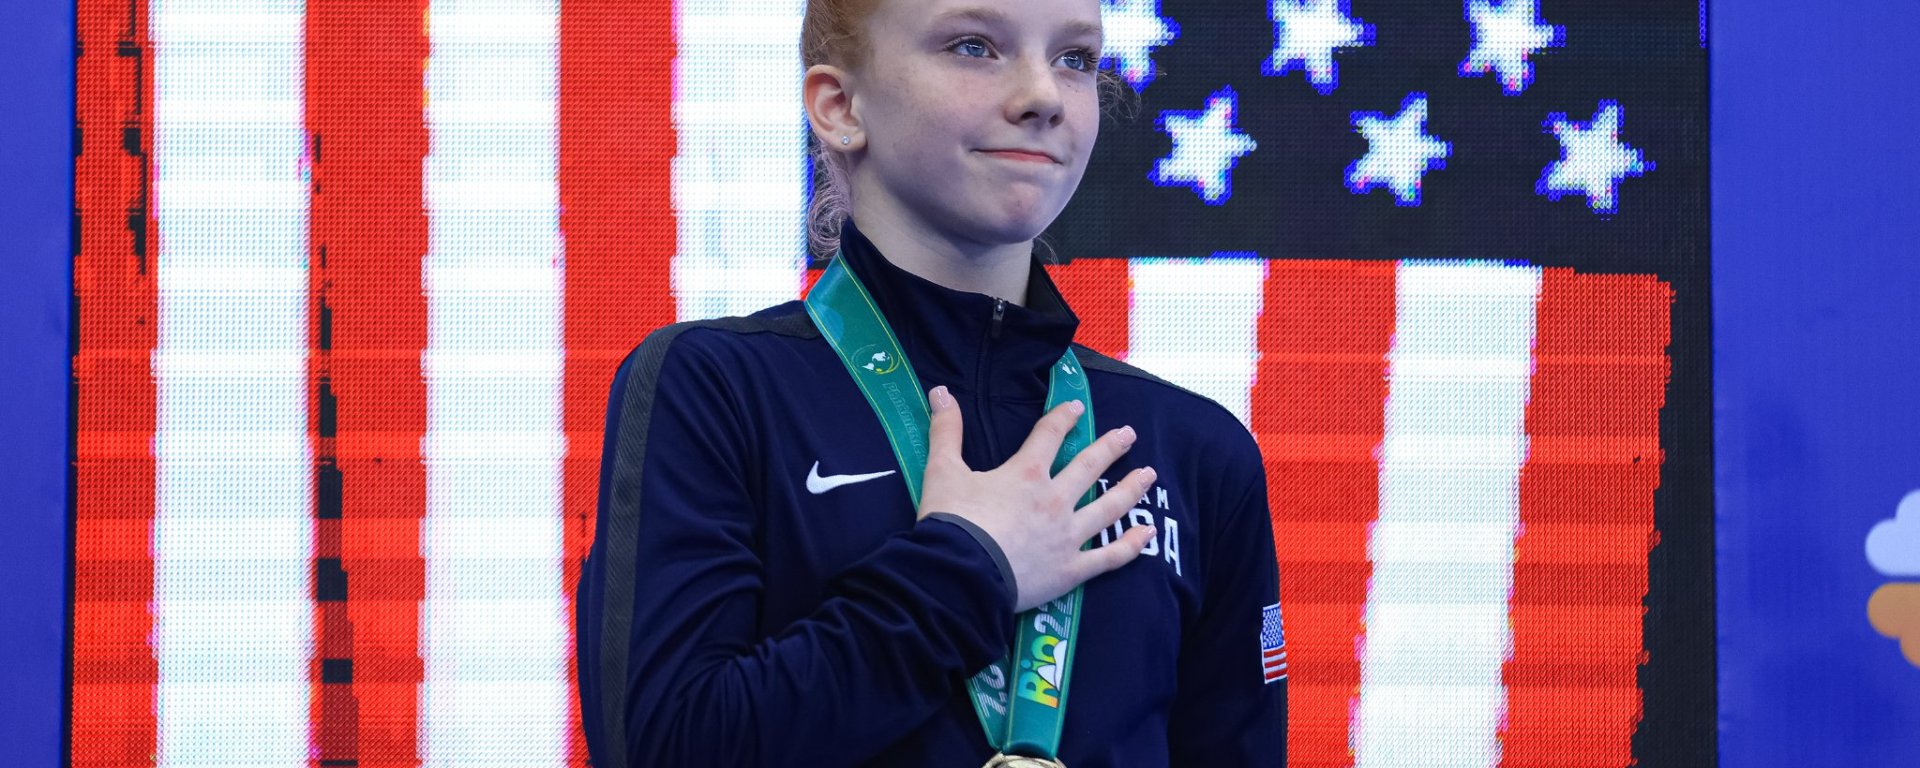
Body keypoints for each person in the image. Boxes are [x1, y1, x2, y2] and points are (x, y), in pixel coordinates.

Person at [574, 0, 1287, 764]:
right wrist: (969, 566)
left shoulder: (1196, 449)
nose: (1043, 95)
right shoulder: (716, 388)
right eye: (974, 46)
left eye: (1074, 58)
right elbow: (666, 748)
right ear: (840, 106)